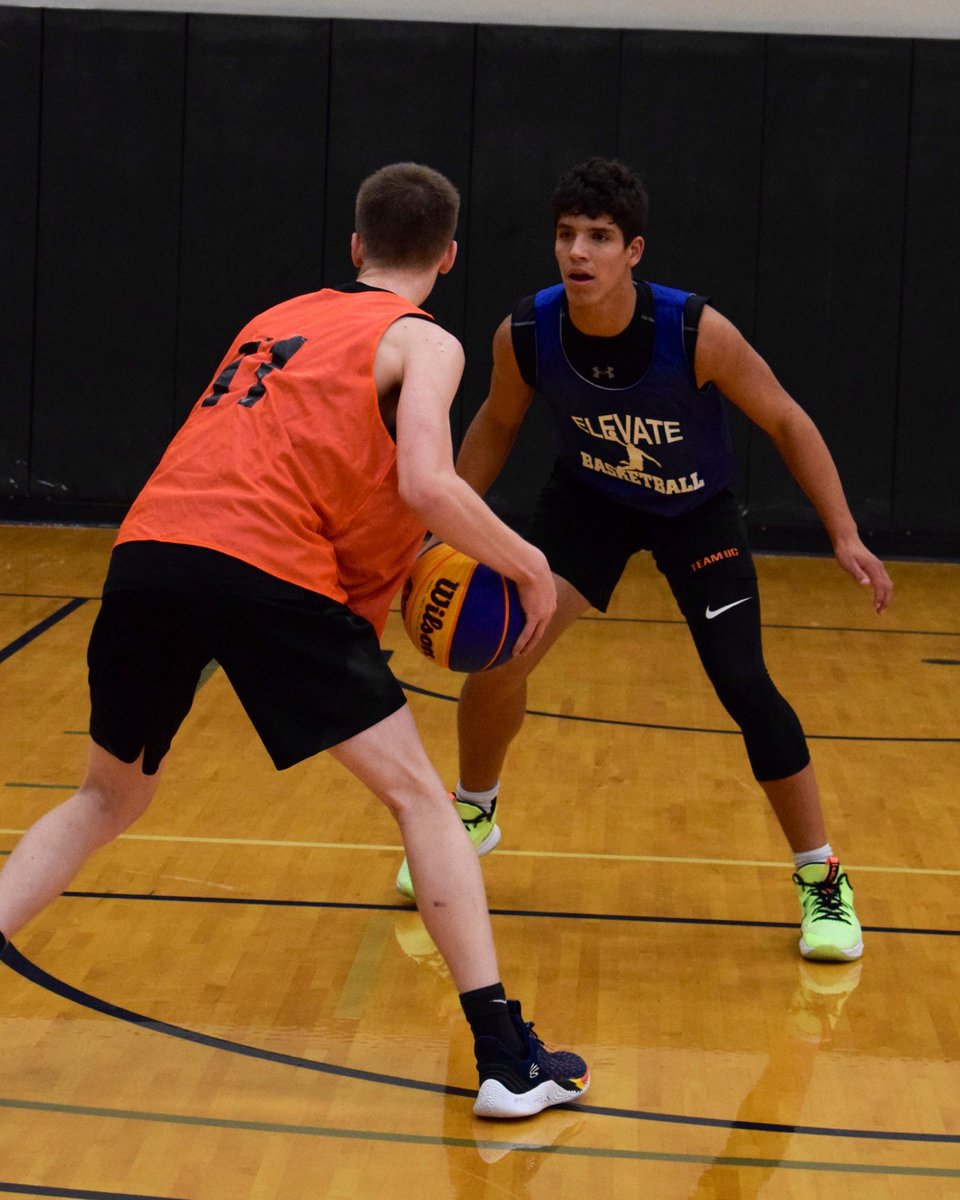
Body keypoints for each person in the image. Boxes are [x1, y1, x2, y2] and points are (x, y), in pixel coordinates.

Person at [0, 163, 589, 1119]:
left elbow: (293, 466)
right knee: (420, 799)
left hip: (150, 552)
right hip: (263, 566)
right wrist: (525, 563)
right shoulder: (426, 342)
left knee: (103, 796)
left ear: (356, 248)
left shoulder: (272, 319)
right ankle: (506, 1061)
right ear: (447, 257)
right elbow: (427, 487)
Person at [395, 157, 893, 964]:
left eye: (598, 237)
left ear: (634, 251)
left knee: (745, 685)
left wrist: (843, 532)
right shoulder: (528, 332)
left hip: (696, 514)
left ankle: (820, 877)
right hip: (588, 505)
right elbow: (493, 425)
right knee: (499, 656)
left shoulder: (695, 332)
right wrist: (431, 523)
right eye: (566, 236)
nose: (577, 252)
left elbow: (787, 420)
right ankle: (473, 814)